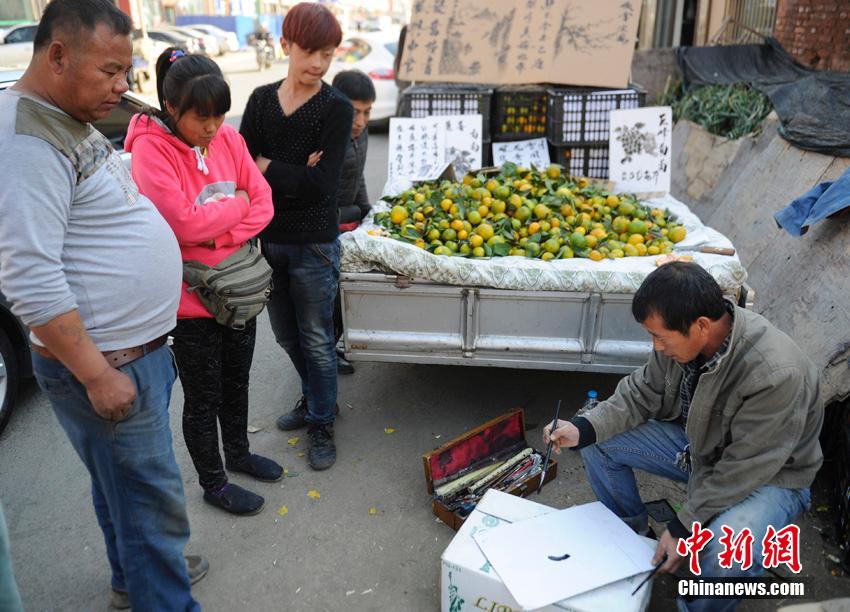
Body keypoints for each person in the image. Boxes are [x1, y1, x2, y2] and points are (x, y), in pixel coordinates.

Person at [0, 1, 205, 609]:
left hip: (127, 352)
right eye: (110, 71)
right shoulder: (28, 142)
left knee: (124, 488)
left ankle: (136, 576)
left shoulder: (60, 113)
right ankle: (163, 594)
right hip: (108, 363)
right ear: (57, 55)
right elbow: (30, 280)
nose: (123, 87)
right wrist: (96, 374)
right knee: (151, 501)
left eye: (127, 70)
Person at [544, 262, 823, 612]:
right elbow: (642, 392)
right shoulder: (682, 341)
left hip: (770, 476)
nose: (656, 346)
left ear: (701, 326)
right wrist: (582, 429)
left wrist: (684, 525)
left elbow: (743, 468)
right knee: (598, 439)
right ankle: (634, 546)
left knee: (726, 550)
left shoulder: (775, 372)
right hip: (703, 451)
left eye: (660, 336)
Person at [125, 48, 280, 516]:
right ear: (172, 108)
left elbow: (265, 201)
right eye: (201, 117)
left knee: (237, 382)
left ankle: (238, 454)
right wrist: (234, 208)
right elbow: (182, 226)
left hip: (239, 291)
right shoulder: (150, 149)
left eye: (218, 115)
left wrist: (216, 233)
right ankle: (214, 481)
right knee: (202, 396)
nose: (212, 127)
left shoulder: (228, 139)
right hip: (191, 304)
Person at [240, 2, 353, 471]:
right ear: (286, 45)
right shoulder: (261, 100)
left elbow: (323, 184)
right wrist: (282, 169)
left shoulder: (336, 108)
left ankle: (321, 422)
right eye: (310, 52)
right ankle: (316, 399)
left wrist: (269, 166)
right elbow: (243, 167)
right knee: (286, 335)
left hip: (315, 244)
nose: (319, 64)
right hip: (269, 241)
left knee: (318, 338)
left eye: (328, 54)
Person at [330, 69, 375, 375]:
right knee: (326, 299)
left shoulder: (362, 134)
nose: (360, 121)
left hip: (346, 224)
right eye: (354, 112)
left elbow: (357, 177)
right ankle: (321, 360)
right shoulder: (325, 139)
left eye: (367, 112)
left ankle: (332, 345)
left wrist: (367, 211)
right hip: (323, 228)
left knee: (342, 295)